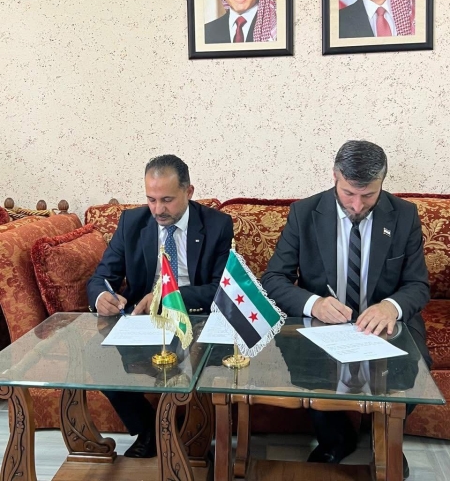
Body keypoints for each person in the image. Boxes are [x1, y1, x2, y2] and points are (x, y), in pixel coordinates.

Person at [261, 140, 430, 479]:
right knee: (303, 367)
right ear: (335, 176)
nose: (357, 205)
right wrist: (314, 303)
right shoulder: (304, 213)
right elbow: (274, 278)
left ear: (382, 182)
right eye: (349, 193)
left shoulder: (404, 214)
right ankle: (335, 439)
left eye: (368, 196)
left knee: (416, 371)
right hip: (323, 322)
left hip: (383, 324)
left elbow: (418, 284)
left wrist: (391, 306)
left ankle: (385, 439)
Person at [87, 154, 234, 458]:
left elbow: (221, 289)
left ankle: (195, 440)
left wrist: (167, 297)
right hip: (143, 322)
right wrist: (101, 297)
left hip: (196, 319)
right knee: (96, 358)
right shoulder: (131, 222)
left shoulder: (217, 225)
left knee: (202, 363)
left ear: (188, 192)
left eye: (167, 200)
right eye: (151, 199)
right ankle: (150, 430)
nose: (158, 209)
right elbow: (102, 277)